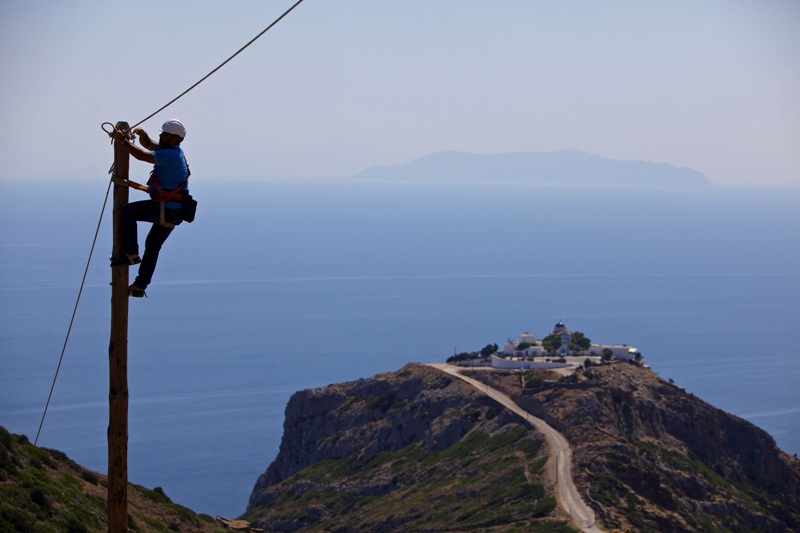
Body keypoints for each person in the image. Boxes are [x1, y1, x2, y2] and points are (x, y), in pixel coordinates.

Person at [109, 119, 190, 297]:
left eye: (165, 134)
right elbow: (148, 145)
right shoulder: (173, 151)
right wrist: (142, 134)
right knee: (153, 246)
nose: (161, 136)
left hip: (166, 208)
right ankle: (140, 285)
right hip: (174, 212)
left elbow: (142, 155)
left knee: (128, 211)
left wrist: (122, 141)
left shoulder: (169, 155)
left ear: (175, 138)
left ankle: (131, 253)